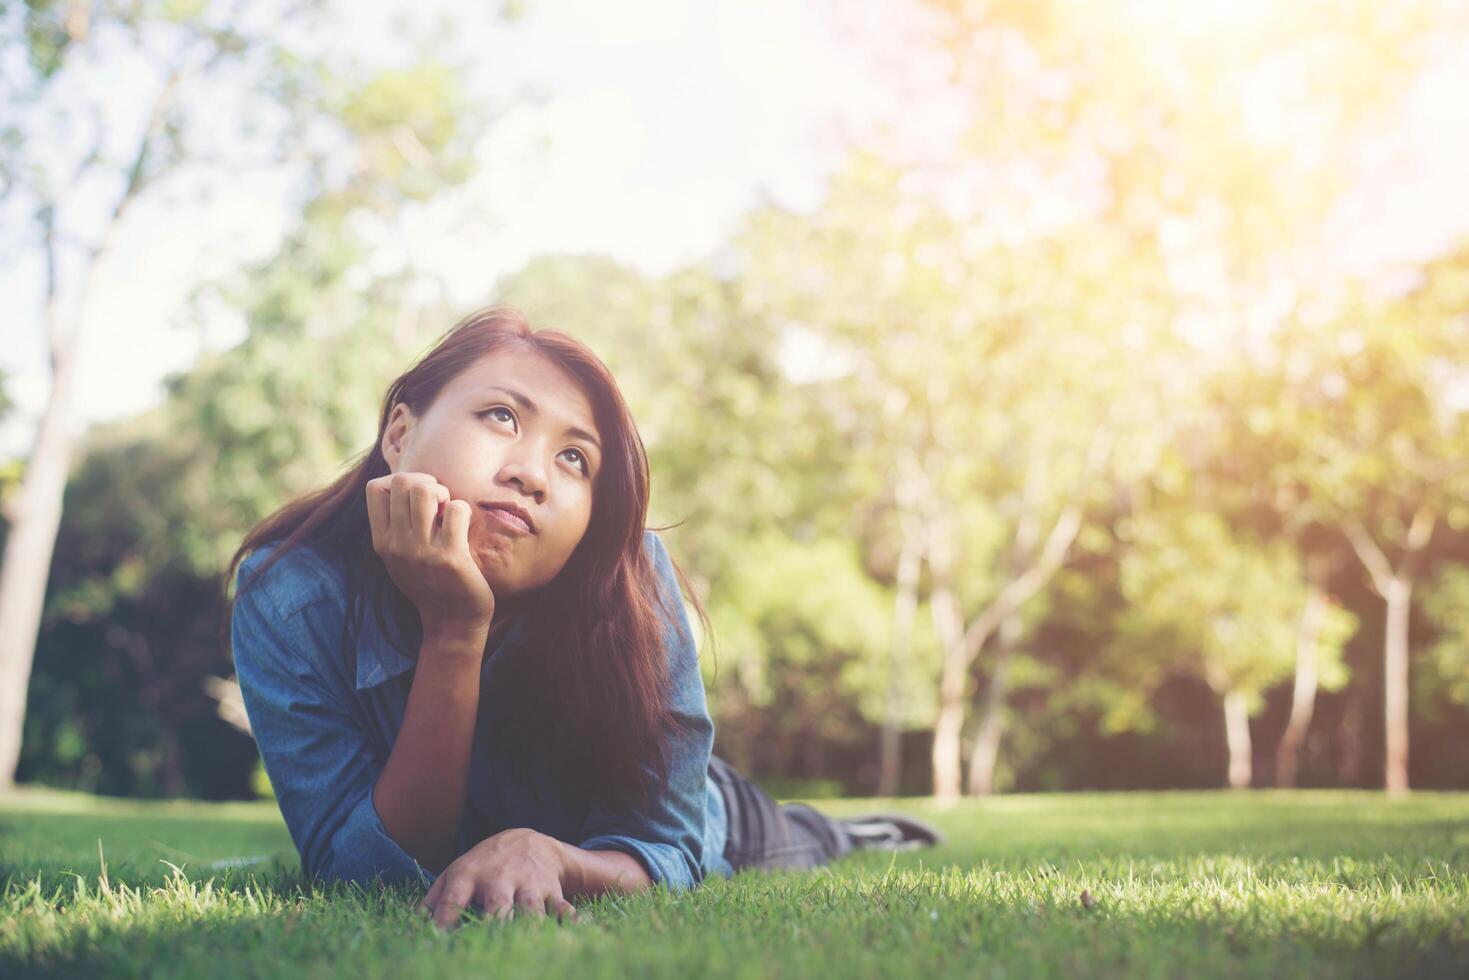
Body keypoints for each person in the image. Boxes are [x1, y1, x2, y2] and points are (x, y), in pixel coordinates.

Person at [227, 306, 942, 930]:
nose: (532, 473)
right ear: (398, 435)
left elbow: (666, 845)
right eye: (500, 417)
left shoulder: (630, 575)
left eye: (574, 458)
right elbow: (367, 875)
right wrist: (453, 631)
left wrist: (550, 856)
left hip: (691, 815)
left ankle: (857, 833)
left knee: (792, 844)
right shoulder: (289, 595)